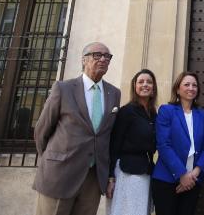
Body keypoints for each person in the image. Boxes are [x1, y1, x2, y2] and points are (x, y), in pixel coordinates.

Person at [33, 42, 121, 215]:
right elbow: (42, 130)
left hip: (93, 177)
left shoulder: (114, 93)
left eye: (107, 56)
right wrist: (52, 160)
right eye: (97, 55)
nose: (103, 59)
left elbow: (108, 135)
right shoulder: (63, 88)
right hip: (60, 174)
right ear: (84, 60)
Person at [152, 71, 204, 215]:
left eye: (194, 85)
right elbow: (164, 145)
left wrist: (194, 173)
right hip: (166, 180)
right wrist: (182, 174)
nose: (191, 88)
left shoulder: (202, 115)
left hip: (193, 182)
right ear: (177, 89)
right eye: (187, 84)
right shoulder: (167, 111)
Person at [107, 69, 158, 215]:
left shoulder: (154, 114)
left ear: (153, 87)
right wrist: (111, 177)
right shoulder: (126, 112)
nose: (145, 85)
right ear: (134, 87)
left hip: (146, 172)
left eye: (149, 82)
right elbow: (114, 145)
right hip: (127, 172)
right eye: (141, 82)